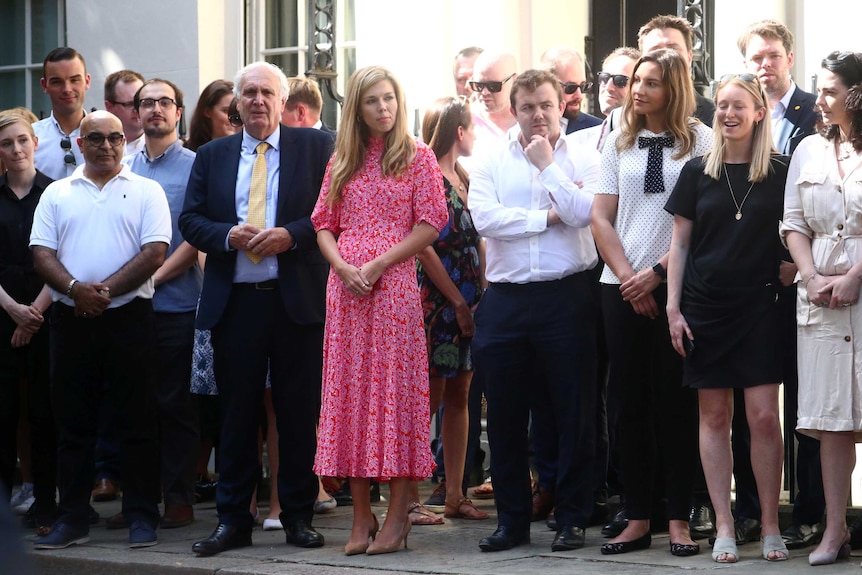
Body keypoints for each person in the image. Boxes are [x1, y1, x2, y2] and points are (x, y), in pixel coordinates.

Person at [180, 61, 333, 556]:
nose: (258, 101)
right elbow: (191, 220)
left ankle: (297, 517)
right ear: (236, 103)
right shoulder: (212, 154)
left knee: (297, 414)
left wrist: (292, 235)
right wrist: (226, 235)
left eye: (267, 92)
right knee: (236, 417)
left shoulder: (317, 147)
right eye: (249, 93)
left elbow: (334, 213)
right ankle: (232, 521)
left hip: (296, 305)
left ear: (284, 101)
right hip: (237, 305)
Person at [312, 65, 448, 556]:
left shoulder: (418, 157)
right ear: (356, 108)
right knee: (350, 398)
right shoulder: (342, 160)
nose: (384, 108)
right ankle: (361, 516)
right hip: (345, 291)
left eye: (389, 98)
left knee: (389, 396)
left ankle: (396, 517)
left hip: (391, 290)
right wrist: (343, 267)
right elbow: (323, 224)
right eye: (372, 101)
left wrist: (379, 262)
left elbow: (432, 223)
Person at [470, 69, 600, 553]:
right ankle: (512, 521)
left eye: (546, 104)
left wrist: (548, 167)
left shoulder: (586, 153)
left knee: (573, 412)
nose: (538, 115)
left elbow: (586, 211)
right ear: (514, 109)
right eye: (527, 107)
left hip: (567, 295)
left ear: (562, 103)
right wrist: (547, 216)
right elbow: (485, 218)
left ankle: (571, 517)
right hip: (505, 300)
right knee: (504, 415)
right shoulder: (488, 157)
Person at [30, 111, 171, 550]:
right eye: (96, 138)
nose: (107, 146)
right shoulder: (56, 193)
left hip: (130, 319)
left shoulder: (147, 190)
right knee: (73, 425)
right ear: (78, 144)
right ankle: (72, 519)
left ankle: (143, 516)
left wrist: (103, 291)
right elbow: (41, 251)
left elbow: (155, 252)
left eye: (115, 138)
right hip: (71, 323)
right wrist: (75, 290)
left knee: (138, 422)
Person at [591, 48, 711, 558]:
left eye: (652, 82)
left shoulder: (702, 140)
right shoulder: (619, 137)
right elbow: (600, 216)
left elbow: (703, 219)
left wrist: (657, 276)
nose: (638, 90)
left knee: (678, 405)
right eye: (636, 80)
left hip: (677, 288)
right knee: (628, 405)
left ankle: (679, 519)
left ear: (675, 89)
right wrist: (627, 279)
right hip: (619, 289)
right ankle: (637, 515)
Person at [666, 73, 789, 563]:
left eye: (739, 106)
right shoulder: (698, 171)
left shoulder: (780, 170)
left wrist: (797, 267)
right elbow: (679, 243)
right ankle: (723, 524)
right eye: (721, 106)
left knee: (763, 416)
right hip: (704, 308)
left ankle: (771, 523)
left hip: (760, 305)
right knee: (714, 415)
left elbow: (805, 228)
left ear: (759, 112)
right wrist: (673, 307)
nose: (728, 114)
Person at [738, 19, 823, 551]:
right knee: (755, 406)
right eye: (755, 58)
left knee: (808, 406)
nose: (763, 66)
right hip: (752, 282)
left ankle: (809, 511)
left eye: (771, 56)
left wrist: (800, 261)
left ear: (789, 57)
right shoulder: (737, 114)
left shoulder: (817, 112)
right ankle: (752, 509)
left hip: (806, 276)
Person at [781, 50, 862, 567]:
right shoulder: (808, 148)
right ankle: (834, 530)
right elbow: (793, 222)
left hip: (859, 289)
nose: (821, 98)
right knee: (831, 421)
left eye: (831, 89)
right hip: (821, 304)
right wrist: (811, 277)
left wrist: (856, 275)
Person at [120, 79, 200, 530]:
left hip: (175, 304)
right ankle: (140, 502)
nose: (154, 110)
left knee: (176, 406)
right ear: (135, 112)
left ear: (178, 112)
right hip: (128, 308)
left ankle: (179, 499)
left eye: (163, 103)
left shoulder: (196, 166)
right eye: (146, 103)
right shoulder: (122, 166)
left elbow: (195, 236)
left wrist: (151, 278)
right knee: (134, 405)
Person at [416, 96, 488, 522]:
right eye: (472, 127)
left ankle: (456, 493)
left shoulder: (462, 175)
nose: (476, 134)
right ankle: (406, 496)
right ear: (458, 132)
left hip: (469, 301)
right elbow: (423, 246)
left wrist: (479, 292)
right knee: (429, 397)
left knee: (460, 394)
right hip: (437, 305)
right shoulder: (426, 173)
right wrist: (458, 302)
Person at [0, 110, 56, 534]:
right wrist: (13, 310)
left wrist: (33, 313)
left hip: (47, 318)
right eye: (6, 144)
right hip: (2, 319)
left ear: (35, 142)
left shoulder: (56, 195)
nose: (16, 149)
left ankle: (46, 507)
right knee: (3, 415)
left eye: (22, 140)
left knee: (45, 412)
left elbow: (63, 259)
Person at [638, 15, 715, 126]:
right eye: (655, 51)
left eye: (673, 50)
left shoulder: (715, 115)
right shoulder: (620, 118)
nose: (665, 57)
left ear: (689, 57)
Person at [32, 47, 89, 180]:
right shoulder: (30, 139)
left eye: (74, 80)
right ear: (44, 85)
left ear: (87, 81)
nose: (67, 89)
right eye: (57, 82)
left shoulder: (108, 137)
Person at [570, 47, 640, 151]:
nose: (608, 87)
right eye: (604, 78)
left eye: (620, 81)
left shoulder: (650, 143)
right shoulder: (575, 143)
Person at [539, 47, 602, 134]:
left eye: (584, 86)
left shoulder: (598, 130)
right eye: (571, 88)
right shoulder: (523, 127)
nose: (579, 96)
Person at [184, 79, 239, 152]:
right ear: (207, 112)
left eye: (238, 111)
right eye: (226, 111)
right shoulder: (190, 153)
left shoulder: (249, 153)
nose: (234, 117)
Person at [104, 70, 145, 156]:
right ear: (109, 107)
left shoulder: (162, 148)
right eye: (130, 104)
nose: (138, 108)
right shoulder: (98, 147)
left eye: (142, 102)